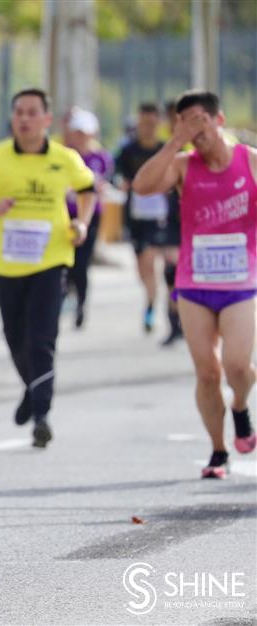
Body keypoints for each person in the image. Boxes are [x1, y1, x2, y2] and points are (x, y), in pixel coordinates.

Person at [133, 90, 257, 478]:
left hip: (240, 282)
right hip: (194, 284)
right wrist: (174, 142)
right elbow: (142, 186)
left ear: (219, 120)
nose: (193, 128)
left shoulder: (249, 161)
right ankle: (218, 451)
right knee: (207, 372)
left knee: (237, 366)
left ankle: (240, 404)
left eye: (200, 119)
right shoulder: (184, 166)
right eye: (183, 121)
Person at [0, 88, 96, 448]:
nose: (24, 118)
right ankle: (31, 388)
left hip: (51, 261)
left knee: (42, 341)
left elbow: (89, 189)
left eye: (32, 112)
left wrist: (81, 223)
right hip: (8, 264)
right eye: (18, 112)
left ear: (46, 120)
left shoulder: (65, 158)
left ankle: (42, 414)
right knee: (15, 339)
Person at [116, 102, 183, 342]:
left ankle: (175, 318)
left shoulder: (167, 149)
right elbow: (117, 177)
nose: (148, 128)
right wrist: (122, 184)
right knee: (146, 269)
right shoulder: (128, 151)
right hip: (139, 220)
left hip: (166, 219)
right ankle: (151, 302)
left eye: (153, 123)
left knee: (173, 268)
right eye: (144, 123)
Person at [63, 107, 113, 329]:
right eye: (77, 132)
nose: (81, 137)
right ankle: (65, 297)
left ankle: (81, 304)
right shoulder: (64, 155)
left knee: (82, 263)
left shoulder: (100, 157)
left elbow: (105, 183)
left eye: (85, 133)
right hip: (65, 216)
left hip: (91, 216)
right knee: (66, 262)